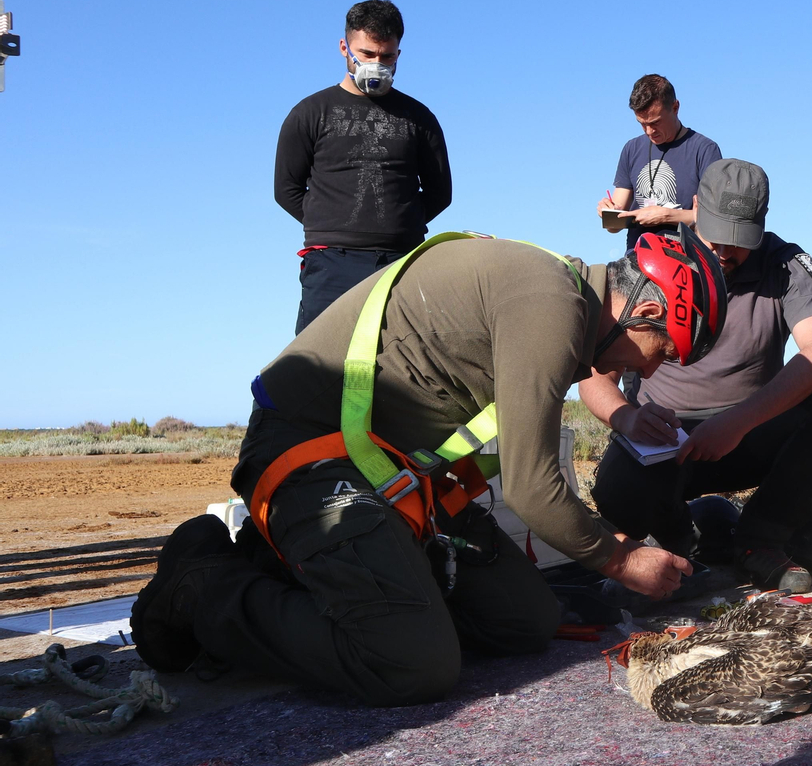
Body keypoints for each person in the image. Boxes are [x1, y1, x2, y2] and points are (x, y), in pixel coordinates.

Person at [130, 231, 727, 706]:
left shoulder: (555, 292)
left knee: (526, 620)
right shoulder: (553, 304)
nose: (648, 373)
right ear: (646, 308)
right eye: (664, 352)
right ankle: (201, 588)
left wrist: (605, 544)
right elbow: (531, 484)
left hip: (388, 475)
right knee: (411, 663)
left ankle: (317, 574)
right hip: (307, 457)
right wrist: (622, 561)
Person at [580, 159, 812, 593]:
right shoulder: (651, 262)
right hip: (665, 443)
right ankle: (680, 542)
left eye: (740, 241)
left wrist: (736, 422)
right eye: (715, 236)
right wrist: (627, 418)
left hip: (748, 433)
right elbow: (594, 375)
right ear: (694, 208)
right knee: (617, 489)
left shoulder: (785, 265)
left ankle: (761, 541)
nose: (724, 252)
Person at [275, 0, 452, 334]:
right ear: (345, 48)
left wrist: (400, 225)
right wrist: (332, 224)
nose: (377, 63)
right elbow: (286, 189)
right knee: (322, 365)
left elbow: (440, 192)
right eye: (367, 54)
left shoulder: (420, 118)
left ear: (399, 53)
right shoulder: (310, 112)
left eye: (387, 56)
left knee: (402, 364)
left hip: (402, 262)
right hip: (329, 264)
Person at [595, 74, 722, 247]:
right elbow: (614, 226)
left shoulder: (705, 149)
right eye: (642, 123)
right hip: (637, 261)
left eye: (655, 122)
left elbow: (715, 218)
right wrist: (608, 212)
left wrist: (665, 216)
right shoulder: (631, 149)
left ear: (675, 107)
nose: (648, 131)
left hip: (685, 261)